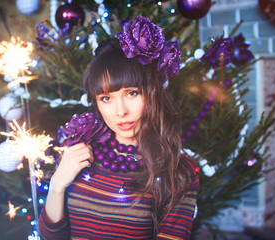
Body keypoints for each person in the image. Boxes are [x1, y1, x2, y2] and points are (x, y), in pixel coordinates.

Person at [39, 16, 199, 240]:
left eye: (132, 93)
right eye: (106, 98)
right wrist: (56, 186)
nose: (120, 111)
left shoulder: (178, 171)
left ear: (152, 93)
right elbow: (51, 237)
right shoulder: (80, 153)